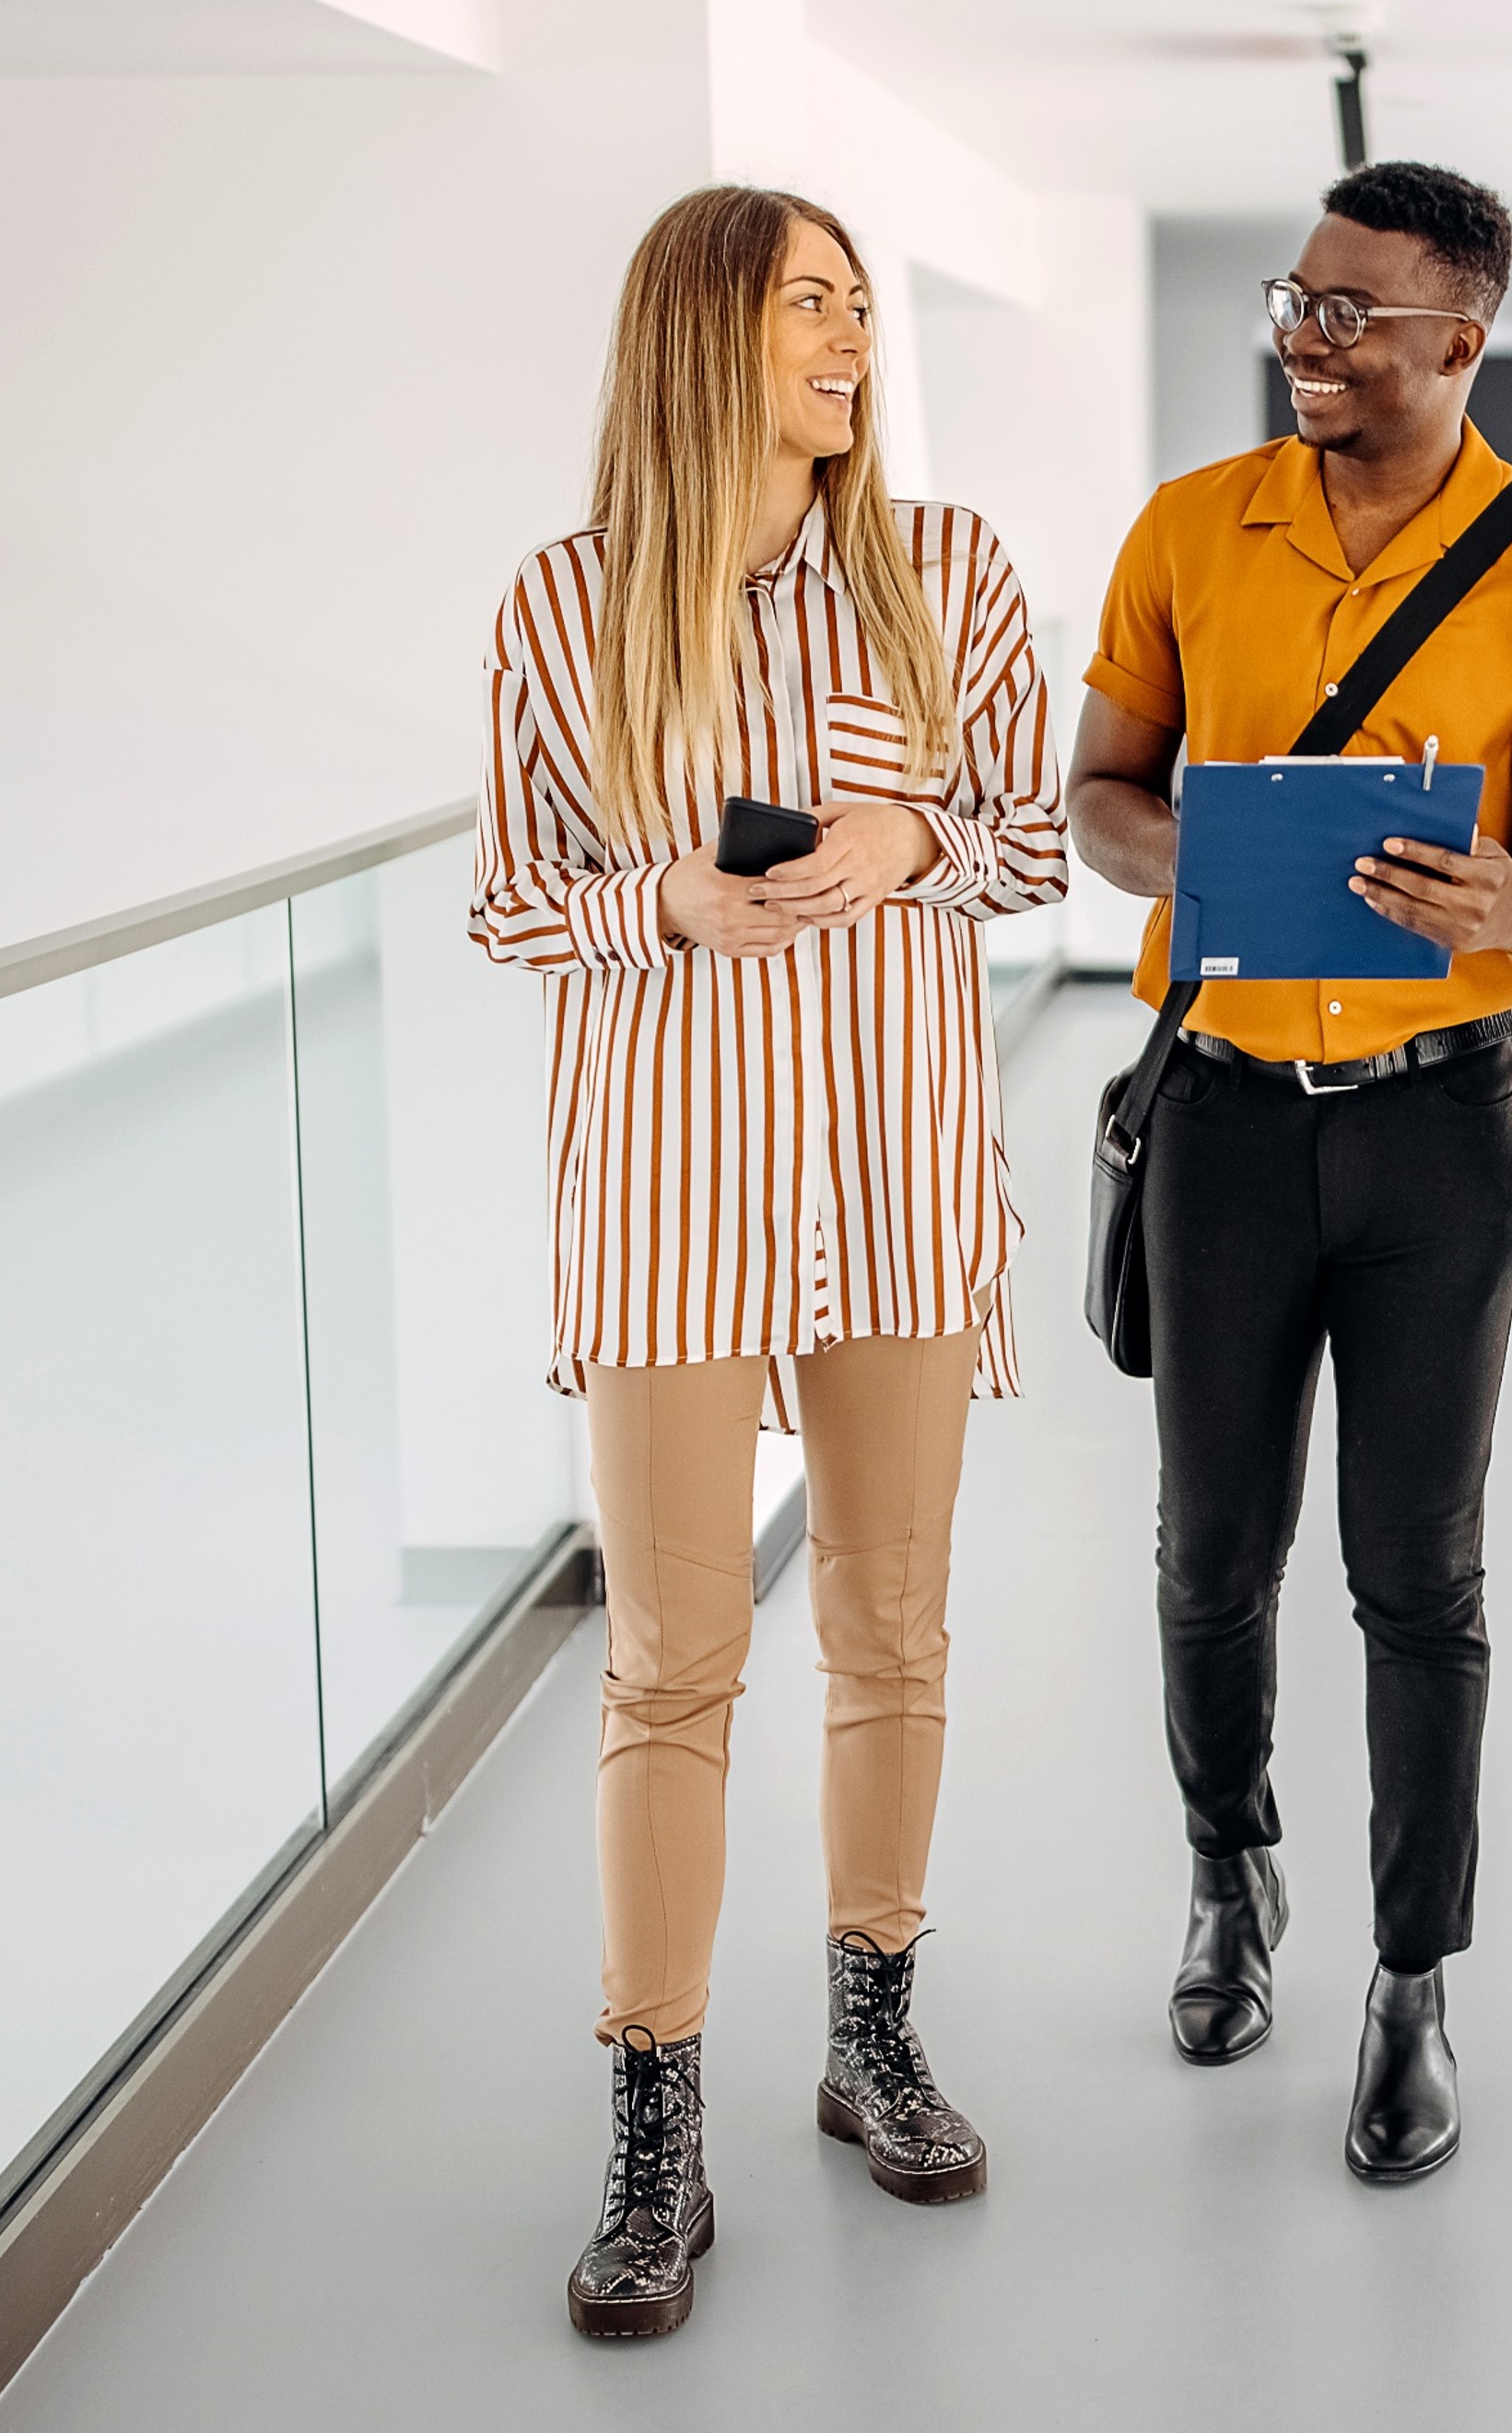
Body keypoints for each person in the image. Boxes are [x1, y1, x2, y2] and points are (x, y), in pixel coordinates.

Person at [471, 184, 1066, 2337]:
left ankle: (872, 2036)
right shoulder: (566, 606)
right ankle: (651, 2129)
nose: (847, 339)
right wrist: (666, 907)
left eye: (854, 307)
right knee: (671, 1662)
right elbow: (510, 897)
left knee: (891, 1630)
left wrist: (909, 836)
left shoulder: (949, 579)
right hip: (672, 1194)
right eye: (807, 303)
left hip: (896, 1180)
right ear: (702, 332)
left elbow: (1033, 839)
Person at [1064, 159, 1512, 2184]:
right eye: (1292, 305)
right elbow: (1097, 798)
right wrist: (1202, 853)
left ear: (1458, 340)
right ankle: (1233, 1878)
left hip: (1433, 1125)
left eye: (1348, 316)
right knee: (1209, 1558)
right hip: (1219, 1115)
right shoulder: (1183, 531)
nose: (1304, 341)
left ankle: (1414, 1981)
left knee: (1421, 1575)